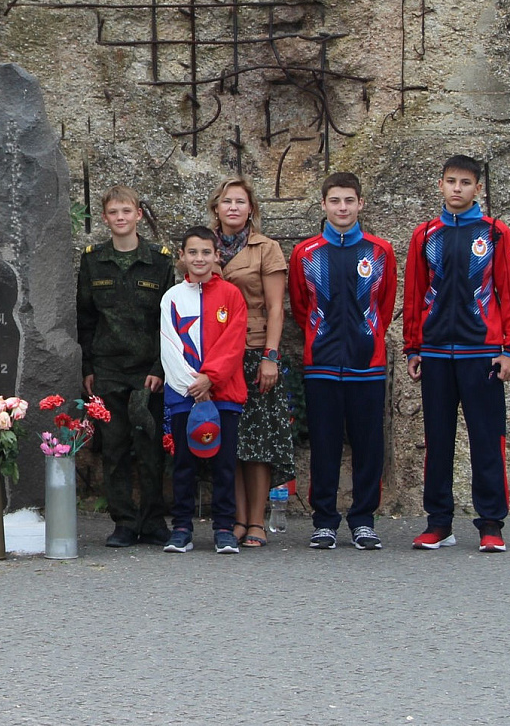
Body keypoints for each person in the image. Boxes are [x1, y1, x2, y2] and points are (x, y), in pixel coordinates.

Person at [404, 155, 510, 552]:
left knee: (487, 439)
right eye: (450, 181)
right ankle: (439, 522)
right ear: (440, 185)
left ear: (478, 188)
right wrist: (413, 346)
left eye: (465, 182)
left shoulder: (494, 233)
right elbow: (414, 293)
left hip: (484, 353)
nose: (457, 188)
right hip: (437, 353)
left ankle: (491, 524)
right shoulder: (425, 235)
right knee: (437, 440)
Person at [288, 172, 397, 551]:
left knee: (369, 445)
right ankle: (324, 521)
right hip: (321, 364)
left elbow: (385, 307)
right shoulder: (306, 253)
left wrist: (366, 339)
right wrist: (323, 337)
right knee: (324, 444)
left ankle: (364, 520)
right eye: (335, 201)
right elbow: (302, 308)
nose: (342, 208)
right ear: (324, 205)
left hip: (367, 364)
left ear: (360, 204)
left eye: (349, 201)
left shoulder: (380, 251)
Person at [76, 186, 175, 548]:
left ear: (138, 215)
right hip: (108, 368)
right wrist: (87, 365)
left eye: (126, 211)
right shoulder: (92, 261)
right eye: (113, 212)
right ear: (104, 218)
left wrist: (160, 368)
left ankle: (152, 521)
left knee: (151, 449)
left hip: (147, 368)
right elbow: (85, 318)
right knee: (114, 448)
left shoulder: (160, 261)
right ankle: (123, 521)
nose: (120, 217)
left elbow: (169, 321)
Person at [210, 177, 293, 549]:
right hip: (217, 354)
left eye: (240, 202)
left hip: (255, 350)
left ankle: (257, 520)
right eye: (226, 201)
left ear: (250, 209)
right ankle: (237, 519)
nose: (233, 208)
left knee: (257, 438)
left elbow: (277, 308)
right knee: (231, 441)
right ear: (216, 208)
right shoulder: (203, 247)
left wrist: (271, 356)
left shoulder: (266, 249)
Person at [158, 226, 249, 554]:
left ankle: (224, 527)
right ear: (181, 256)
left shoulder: (231, 296)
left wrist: (210, 379)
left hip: (224, 393)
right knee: (184, 462)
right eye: (192, 252)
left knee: (224, 463)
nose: (199, 259)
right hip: (185, 394)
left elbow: (234, 341)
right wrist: (194, 386)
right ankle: (181, 527)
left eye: (206, 253)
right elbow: (169, 344)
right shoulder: (171, 298)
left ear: (216, 256)